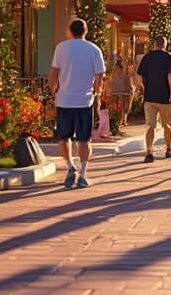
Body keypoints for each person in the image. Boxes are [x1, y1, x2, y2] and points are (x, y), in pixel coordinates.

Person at [50, 18, 105, 190]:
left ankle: (70, 166)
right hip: (84, 101)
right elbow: (99, 77)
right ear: (85, 31)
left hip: (64, 100)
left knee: (63, 137)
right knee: (84, 139)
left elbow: (53, 74)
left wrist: (54, 92)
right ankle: (83, 173)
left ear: (70, 31)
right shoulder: (94, 49)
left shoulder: (61, 48)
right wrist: (96, 93)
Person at [137, 35, 171, 162]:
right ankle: (169, 149)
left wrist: (143, 91)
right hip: (164, 98)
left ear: (154, 44)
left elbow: (139, 79)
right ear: (165, 45)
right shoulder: (169, 57)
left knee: (150, 126)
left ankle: (149, 152)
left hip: (149, 98)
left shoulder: (147, 57)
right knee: (167, 125)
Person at [110, 57, 133, 126]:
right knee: (125, 106)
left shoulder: (114, 71)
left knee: (119, 106)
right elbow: (129, 78)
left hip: (115, 90)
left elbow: (111, 80)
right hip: (125, 90)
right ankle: (123, 120)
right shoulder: (125, 70)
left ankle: (119, 120)